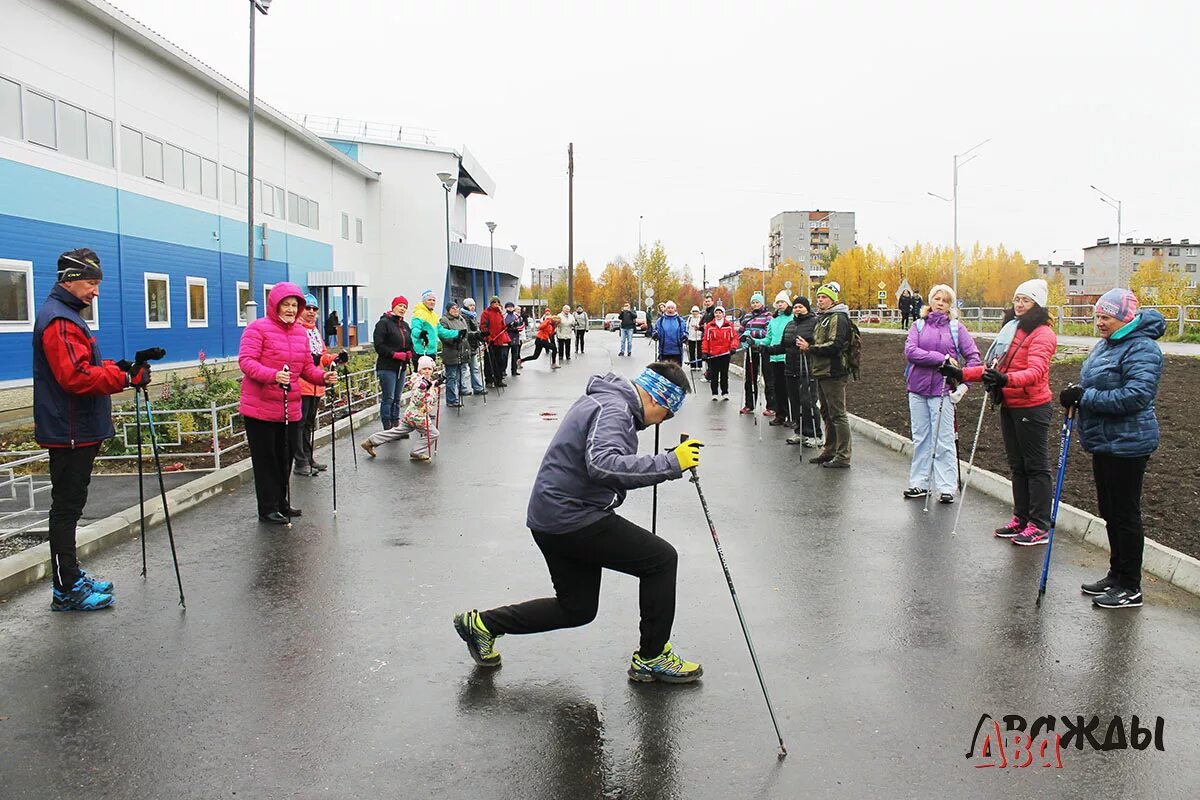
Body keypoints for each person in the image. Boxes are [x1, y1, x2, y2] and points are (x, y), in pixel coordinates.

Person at [452, 362, 705, 683]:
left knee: (578, 609)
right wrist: (671, 463)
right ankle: (653, 657)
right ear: (657, 399)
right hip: (572, 516)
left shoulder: (609, 402)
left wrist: (665, 463)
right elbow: (603, 463)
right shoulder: (615, 410)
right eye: (668, 414)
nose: (663, 422)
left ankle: (483, 624)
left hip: (552, 516)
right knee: (661, 559)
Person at [33, 248, 149, 611]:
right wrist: (125, 377)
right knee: (66, 510)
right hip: (69, 429)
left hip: (76, 427)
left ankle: (70, 576)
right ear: (69, 280)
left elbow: (84, 364)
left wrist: (122, 365)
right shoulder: (60, 321)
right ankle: (65, 588)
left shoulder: (67, 316)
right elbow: (75, 377)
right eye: (91, 282)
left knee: (71, 506)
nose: (96, 291)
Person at [1062, 289, 1164, 609]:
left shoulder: (1143, 348)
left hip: (1129, 443)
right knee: (1109, 512)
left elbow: (1136, 395)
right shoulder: (1106, 345)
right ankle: (1116, 574)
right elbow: (1095, 385)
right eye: (1098, 316)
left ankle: (1131, 586)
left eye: (1105, 317)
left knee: (1125, 515)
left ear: (1125, 317)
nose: (1099, 322)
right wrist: (1076, 391)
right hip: (1105, 441)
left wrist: (1085, 398)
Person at [940, 278, 1056, 545]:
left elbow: (1036, 372)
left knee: (1036, 467)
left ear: (1037, 304)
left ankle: (1039, 524)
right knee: (1017, 466)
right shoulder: (1012, 330)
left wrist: (1006, 380)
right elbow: (994, 367)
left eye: (1026, 300)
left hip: (1032, 406)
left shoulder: (1042, 334)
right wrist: (961, 373)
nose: (1019, 304)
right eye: (1017, 299)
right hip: (1010, 403)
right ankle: (1021, 517)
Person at [239, 282, 336, 525]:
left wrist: (323, 377)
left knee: (285, 456)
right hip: (260, 409)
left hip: (289, 407)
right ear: (275, 304)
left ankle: (282, 502)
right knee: (266, 460)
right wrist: (272, 375)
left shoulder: (299, 333)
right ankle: (268, 507)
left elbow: (305, 369)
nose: (291, 309)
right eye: (287, 304)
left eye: (295, 305)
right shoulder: (257, 329)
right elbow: (246, 362)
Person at [903, 285, 981, 502]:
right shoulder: (918, 325)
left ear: (950, 305)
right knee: (921, 438)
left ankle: (946, 487)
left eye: (945, 300)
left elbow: (974, 358)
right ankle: (919, 483)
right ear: (930, 301)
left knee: (944, 439)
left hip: (943, 391)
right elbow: (911, 352)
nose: (940, 303)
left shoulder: (956, 329)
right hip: (917, 389)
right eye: (937, 298)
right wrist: (942, 359)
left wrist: (965, 385)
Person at [801, 284, 852, 468]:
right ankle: (829, 450)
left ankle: (843, 455)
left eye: (824, 297)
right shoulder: (824, 318)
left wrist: (810, 348)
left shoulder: (838, 317)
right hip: (822, 371)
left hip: (834, 371)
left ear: (833, 299)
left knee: (838, 414)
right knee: (827, 412)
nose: (820, 300)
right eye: (819, 297)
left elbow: (835, 345)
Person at [362, 356, 442, 461]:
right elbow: (419, 398)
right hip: (419, 417)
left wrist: (436, 384)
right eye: (424, 369)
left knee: (397, 431)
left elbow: (429, 389)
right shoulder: (420, 382)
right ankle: (416, 452)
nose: (427, 371)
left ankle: (370, 441)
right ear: (419, 370)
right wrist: (423, 389)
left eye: (429, 369)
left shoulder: (425, 381)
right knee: (433, 433)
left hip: (410, 415)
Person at [295, 294, 342, 476]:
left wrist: (336, 357)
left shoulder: (314, 331)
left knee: (308, 424)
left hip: (316, 382)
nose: (312, 312)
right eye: (308, 308)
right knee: (299, 425)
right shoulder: (297, 330)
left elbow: (321, 355)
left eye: (315, 309)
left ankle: (308, 457)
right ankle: (300, 462)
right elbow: (301, 357)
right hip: (302, 383)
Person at [770, 297, 824, 447]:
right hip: (790, 369)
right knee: (795, 402)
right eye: (795, 307)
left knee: (808, 401)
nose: (797, 309)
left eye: (800, 306)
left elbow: (819, 344)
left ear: (807, 308)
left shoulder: (815, 323)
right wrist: (765, 349)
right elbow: (783, 346)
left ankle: (814, 433)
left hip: (807, 368)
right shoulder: (790, 324)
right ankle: (799, 431)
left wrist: (808, 345)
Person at [372, 295, 415, 431]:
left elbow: (410, 343)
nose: (402, 309)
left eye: (405, 307)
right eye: (400, 306)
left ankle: (396, 424)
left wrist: (409, 352)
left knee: (397, 397)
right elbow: (379, 345)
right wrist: (394, 354)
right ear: (393, 306)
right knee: (388, 398)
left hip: (401, 367)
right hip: (387, 366)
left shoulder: (405, 325)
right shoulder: (383, 323)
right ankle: (388, 426)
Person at [755, 292, 792, 426]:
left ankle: (791, 416)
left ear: (788, 303)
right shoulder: (773, 320)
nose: (780, 305)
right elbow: (768, 339)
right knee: (777, 388)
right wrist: (756, 342)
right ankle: (780, 414)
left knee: (789, 389)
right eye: (778, 303)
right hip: (774, 358)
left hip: (787, 357)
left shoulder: (792, 318)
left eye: (782, 302)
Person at [740, 291, 775, 416]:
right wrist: (743, 338)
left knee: (768, 377)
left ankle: (771, 406)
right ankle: (749, 404)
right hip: (750, 350)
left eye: (757, 302)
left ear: (762, 303)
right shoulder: (747, 316)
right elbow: (741, 330)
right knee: (750, 378)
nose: (755, 305)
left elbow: (767, 333)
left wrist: (752, 335)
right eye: (753, 302)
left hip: (764, 349)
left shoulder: (768, 316)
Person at [438, 300, 470, 407]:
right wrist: (454, 339)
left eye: (456, 308)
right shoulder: (444, 320)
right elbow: (443, 336)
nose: (455, 310)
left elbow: (466, 334)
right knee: (451, 377)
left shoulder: (462, 319)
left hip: (462, 351)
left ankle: (458, 393)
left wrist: (476, 335)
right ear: (448, 310)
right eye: (453, 308)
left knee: (460, 375)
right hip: (451, 352)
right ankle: (451, 399)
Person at [702, 305, 736, 399]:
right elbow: (706, 340)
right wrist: (705, 352)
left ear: (723, 314)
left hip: (725, 353)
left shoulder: (729, 325)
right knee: (714, 374)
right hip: (713, 354)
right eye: (716, 313)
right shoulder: (710, 326)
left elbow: (734, 338)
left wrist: (733, 347)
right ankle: (714, 393)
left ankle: (725, 392)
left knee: (724, 374)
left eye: (720, 313)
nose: (718, 314)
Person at [479, 296, 511, 389]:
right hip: (490, 340)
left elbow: (502, 326)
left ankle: (498, 379)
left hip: (499, 340)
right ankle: (489, 380)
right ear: (491, 303)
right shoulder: (486, 313)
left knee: (499, 361)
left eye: (498, 303)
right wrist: (487, 337)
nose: (496, 304)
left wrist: (506, 326)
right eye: (494, 302)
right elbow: (483, 326)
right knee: (489, 361)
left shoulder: (500, 313)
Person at [459, 298, 486, 395]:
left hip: (474, 345)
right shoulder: (464, 317)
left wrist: (481, 336)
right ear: (466, 306)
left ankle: (477, 387)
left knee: (474, 367)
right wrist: (477, 334)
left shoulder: (473, 316)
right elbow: (467, 331)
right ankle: (462, 388)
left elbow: (476, 329)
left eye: (473, 305)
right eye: (470, 305)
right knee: (464, 368)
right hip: (466, 346)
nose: (472, 307)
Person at [410, 289, 440, 364]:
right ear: (424, 301)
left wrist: (456, 333)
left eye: (433, 300)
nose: (432, 302)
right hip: (421, 351)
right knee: (420, 375)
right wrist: (420, 333)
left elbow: (441, 330)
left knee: (429, 375)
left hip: (432, 351)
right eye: (429, 300)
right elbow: (414, 329)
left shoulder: (434, 315)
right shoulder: (419, 313)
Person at [504, 301, 525, 377]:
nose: (510, 308)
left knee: (515, 355)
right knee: (505, 355)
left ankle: (514, 370)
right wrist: (509, 327)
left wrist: (515, 328)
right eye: (509, 307)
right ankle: (503, 370)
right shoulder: (504, 316)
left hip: (515, 338)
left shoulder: (516, 316)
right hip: (507, 338)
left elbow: (522, 326)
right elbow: (503, 326)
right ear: (506, 308)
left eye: (511, 307)